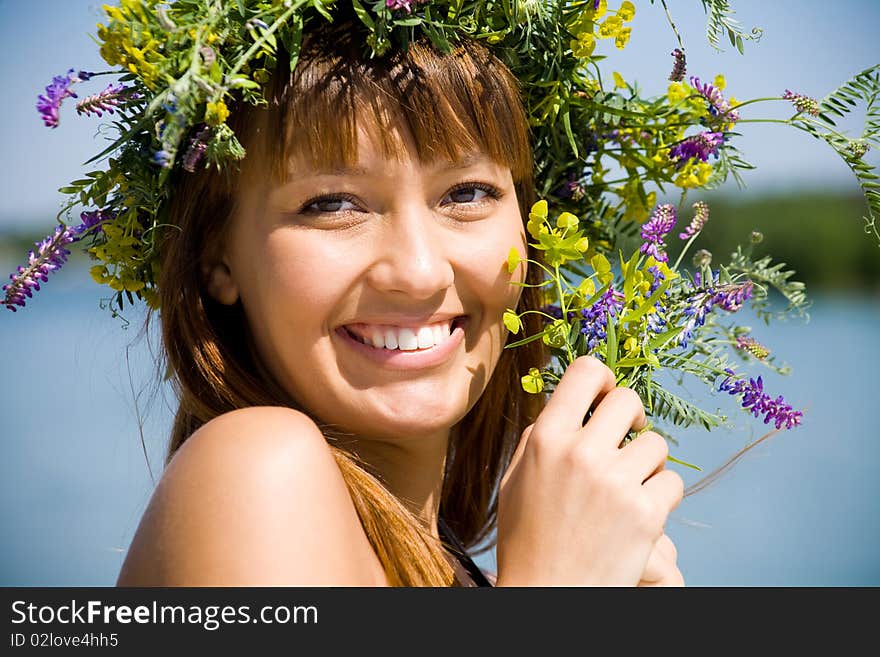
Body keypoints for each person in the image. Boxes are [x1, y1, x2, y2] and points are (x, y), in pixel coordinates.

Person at [103, 14, 684, 588]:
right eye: (332, 205)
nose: (420, 271)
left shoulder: (474, 574)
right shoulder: (256, 470)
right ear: (217, 258)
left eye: (467, 193)